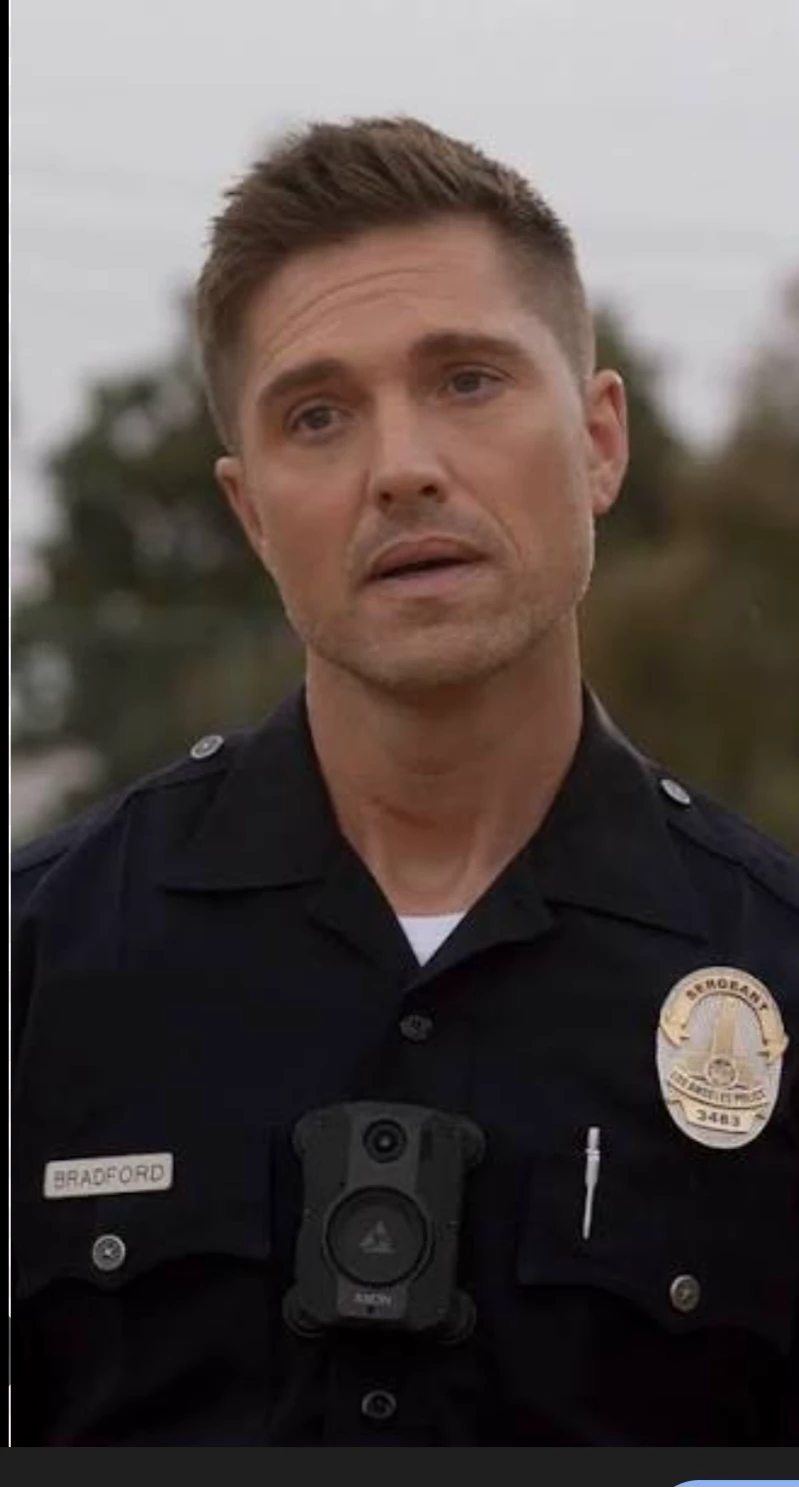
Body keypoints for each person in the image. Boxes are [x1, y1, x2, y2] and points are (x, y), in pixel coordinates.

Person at [11, 116, 798, 1448]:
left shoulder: (774, 969)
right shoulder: (41, 968)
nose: (401, 469)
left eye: (468, 380)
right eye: (316, 415)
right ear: (251, 512)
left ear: (598, 440)